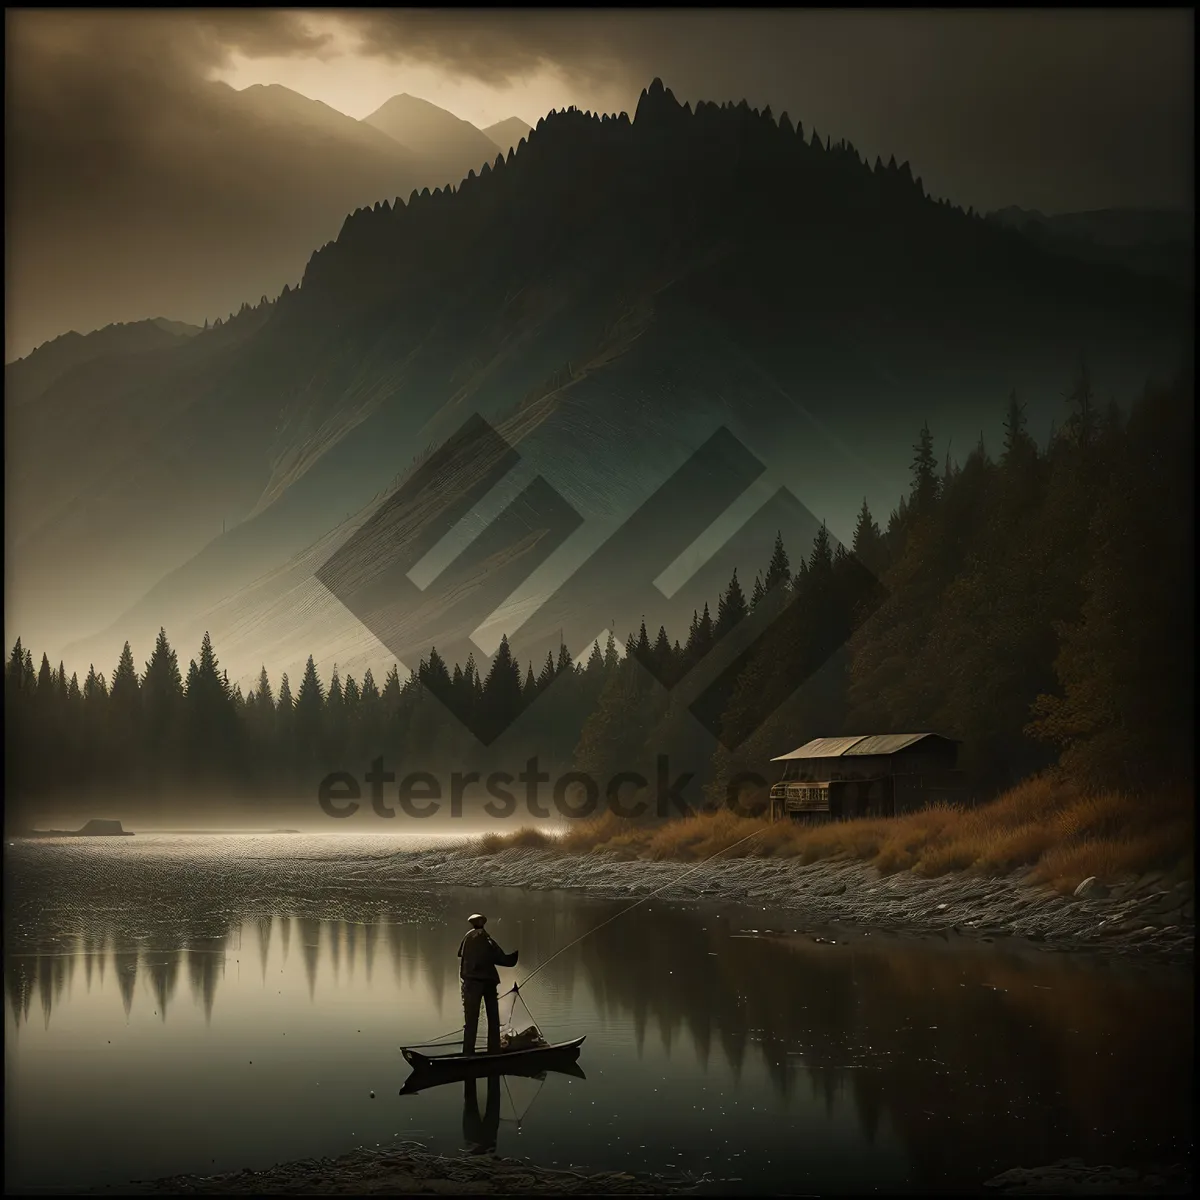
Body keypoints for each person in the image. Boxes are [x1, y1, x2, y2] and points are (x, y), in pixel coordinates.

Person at [457, 913, 518, 1055]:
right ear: (482, 923)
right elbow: (501, 958)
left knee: (471, 1021)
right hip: (488, 984)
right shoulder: (486, 938)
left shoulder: (467, 937)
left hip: (469, 984)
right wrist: (515, 956)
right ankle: (494, 1050)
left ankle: (468, 1053)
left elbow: (460, 953)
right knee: (493, 1019)